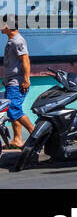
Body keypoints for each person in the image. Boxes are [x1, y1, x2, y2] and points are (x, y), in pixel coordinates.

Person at [2, 17, 35, 149]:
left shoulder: (18, 41)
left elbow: (25, 60)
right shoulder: (12, 41)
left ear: (8, 26)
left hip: (17, 82)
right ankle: (17, 139)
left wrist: (26, 79)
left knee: (13, 109)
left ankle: (34, 133)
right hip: (11, 82)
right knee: (14, 110)